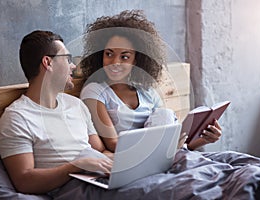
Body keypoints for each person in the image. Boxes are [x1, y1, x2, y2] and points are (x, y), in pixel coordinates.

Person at [79, 10, 222, 152]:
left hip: (164, 156)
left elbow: (177, 144)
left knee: (164, 114)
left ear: (136, 60)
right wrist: (164, 148)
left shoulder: (147, 92)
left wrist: (203, 140)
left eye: (124, 57)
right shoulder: (94, 91)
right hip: (134, 159)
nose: (115, 62)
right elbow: (114, 144)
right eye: (109, 54)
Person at [0, 30, 113, 195]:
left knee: (155, 181)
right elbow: (24, 180)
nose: (73, 66)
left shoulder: (76, 105)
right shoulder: (17, 118)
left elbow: (99, 151)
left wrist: (116, 163)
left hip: (99, 180)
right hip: (73, 188)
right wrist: (76, 166)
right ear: (48, 62)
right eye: (67, 59)